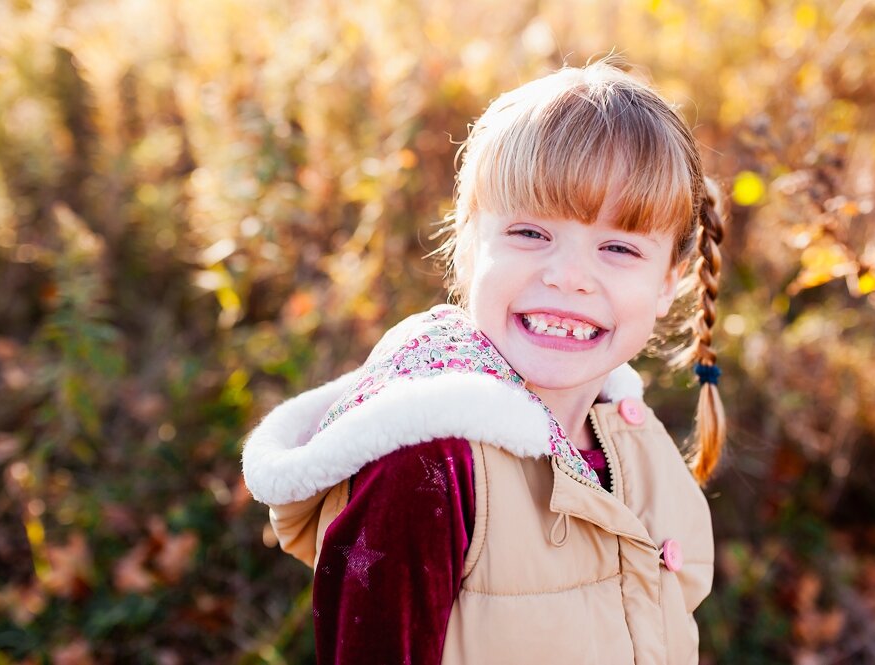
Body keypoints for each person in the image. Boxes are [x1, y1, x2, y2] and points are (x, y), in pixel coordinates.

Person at [242, 58, 726, 664]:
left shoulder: (636, 442)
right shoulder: (424, 469)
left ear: (668, 282)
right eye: (530, 233)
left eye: (618, 247)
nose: (568, 276)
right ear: (470, 247)